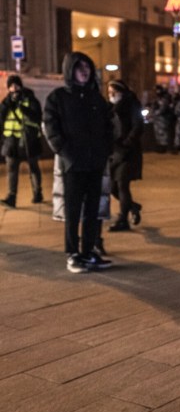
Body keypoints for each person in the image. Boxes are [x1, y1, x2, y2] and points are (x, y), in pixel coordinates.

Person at [43, 52, 113, 273]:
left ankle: (89, 250)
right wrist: (65, 152)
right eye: (79, 67)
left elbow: (109, 126)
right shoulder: (59, 97)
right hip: (72, 165)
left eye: (87, 67)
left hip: (94, 164)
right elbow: (50, 127)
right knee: (73, 212)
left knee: (93, 210)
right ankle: (73, 253)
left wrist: (104, 152)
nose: (84, 71)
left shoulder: (95, 98)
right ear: (70, 70)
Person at [107, 80, 144, 232]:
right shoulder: (111, 107)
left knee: (122, 184)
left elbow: (138, 126)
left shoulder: (132, 104)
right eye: (109, 92)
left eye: (113, 92)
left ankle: (123, 219)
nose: (111, 95)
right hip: (114, 152)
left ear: (121, 92)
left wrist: (127, 143)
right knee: (112, 187)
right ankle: (133, 206)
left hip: (128, 152)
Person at [1, 75, 44, 207]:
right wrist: (7, 105)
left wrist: (22, 107)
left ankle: (37, 192)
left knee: (33, 167)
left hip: (28, 140)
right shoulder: (6, 102)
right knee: (12, 169)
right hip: (11, 141)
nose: (14, 88)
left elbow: (37, 116)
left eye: (16, 85)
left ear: (21, 86)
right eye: (11, 86)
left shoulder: (30, 99)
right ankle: (11, 196)